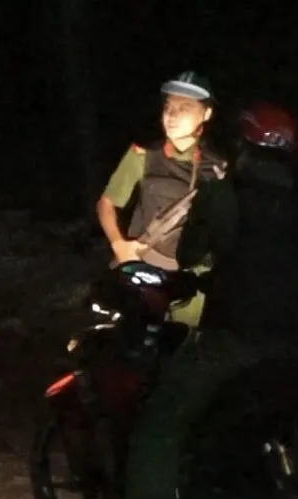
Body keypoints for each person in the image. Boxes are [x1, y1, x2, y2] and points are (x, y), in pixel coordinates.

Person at [79, 102, 298, 499]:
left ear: (243, 146)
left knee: (156, 433)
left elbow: (192, 253)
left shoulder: (225, 195)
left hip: (237, 343)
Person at [95, 70, 227, 327]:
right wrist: (119, 245)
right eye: (169, 107)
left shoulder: (218, 167)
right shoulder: (143, 155)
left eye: (185, 108)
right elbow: (106, 203)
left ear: (206, 114)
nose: (172, 115)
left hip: (190, 281)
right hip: (144, 268)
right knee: (131, 335)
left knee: (182, 342)